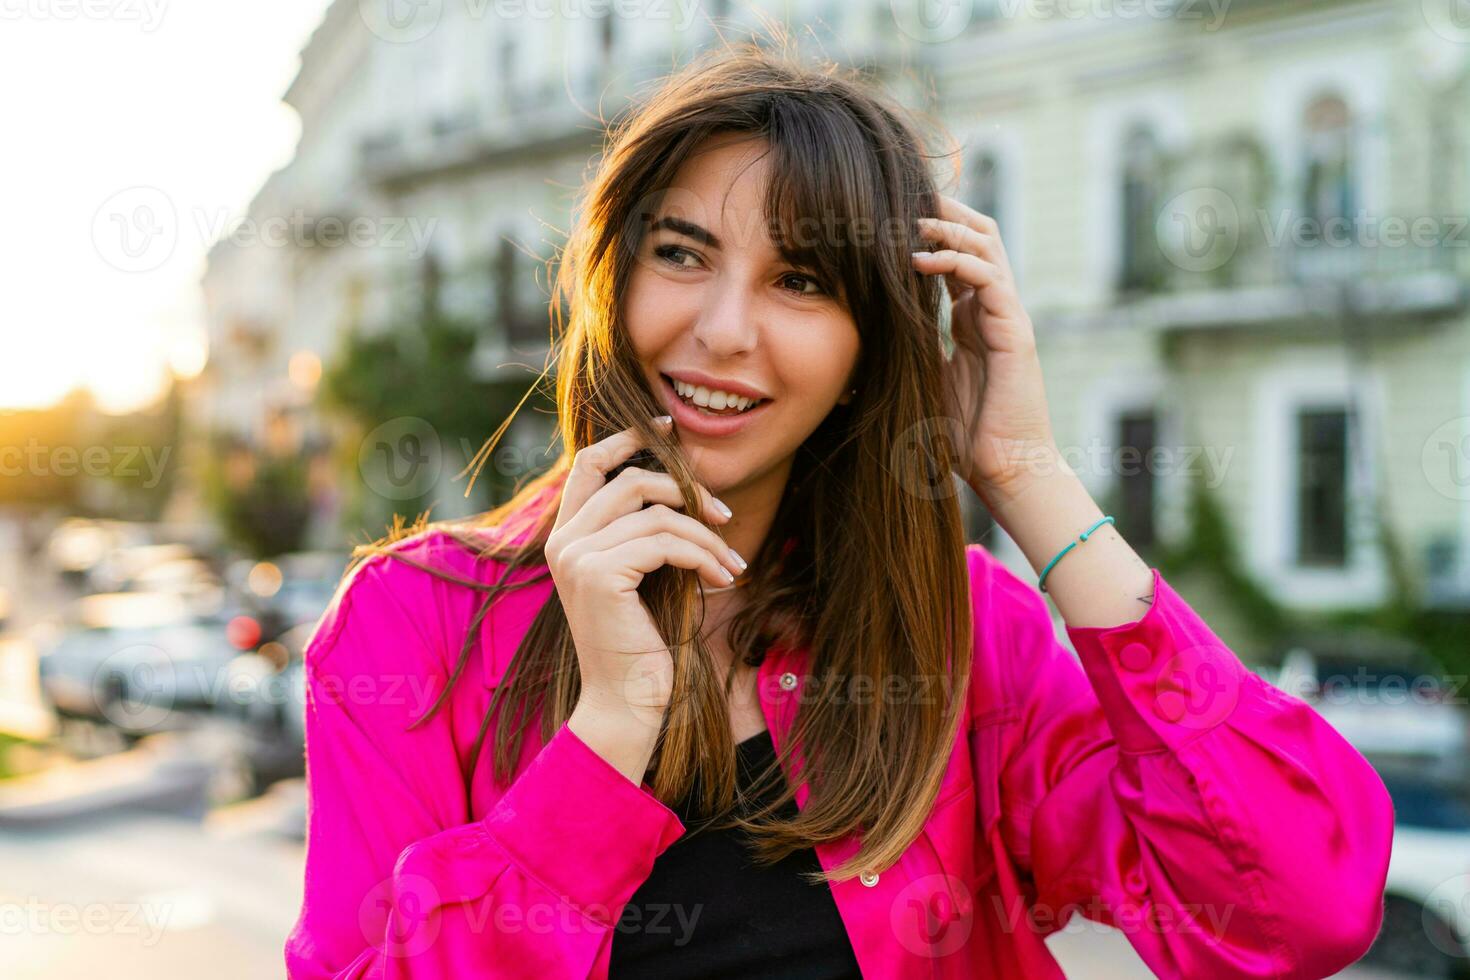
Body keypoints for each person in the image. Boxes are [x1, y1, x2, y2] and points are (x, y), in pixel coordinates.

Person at [284, 42, 1394, 979]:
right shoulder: (413, 621)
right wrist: (613, 725)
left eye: (802, 281)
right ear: (611, 279)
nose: (724, 329)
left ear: (873, 340)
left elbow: (1295, 906)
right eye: (682, 253)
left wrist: (1027, 474)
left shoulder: (967, 639)